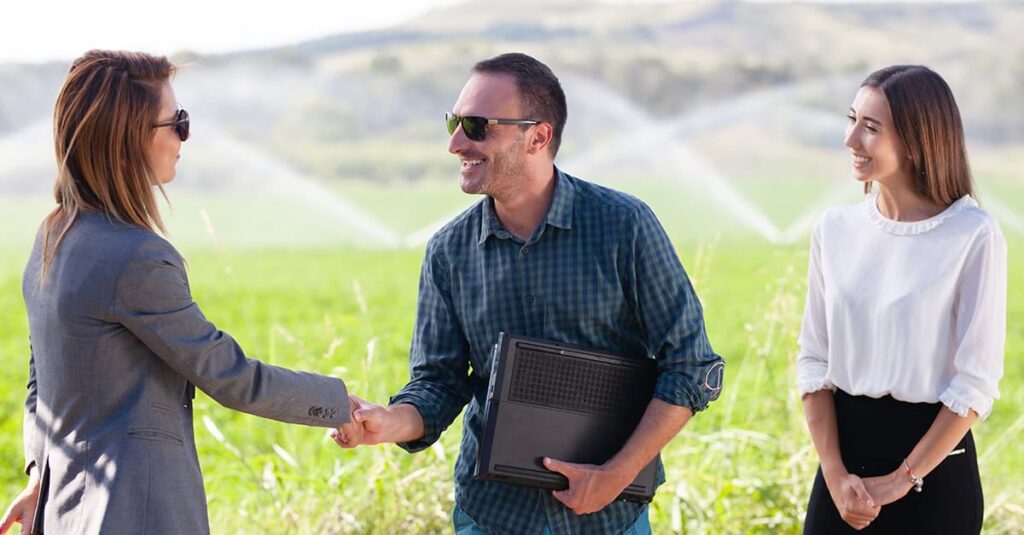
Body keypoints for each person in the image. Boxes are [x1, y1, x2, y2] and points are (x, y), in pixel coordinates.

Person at [333, 52, 724, 534]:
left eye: (477, 126)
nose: (456, 143)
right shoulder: (447, 252)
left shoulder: (625, 226)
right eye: (454, 122)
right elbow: (439, 383)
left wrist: (614, 477)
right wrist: (387, 421)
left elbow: (691, 366)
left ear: (538, 136)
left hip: (609, 520)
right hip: (491, 516)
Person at [0, 50, 357, 535]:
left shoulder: (52, 237)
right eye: (178, 122)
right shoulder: (137, 257)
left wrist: (39, 476)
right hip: (135, 514)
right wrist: (342, 404)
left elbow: (42, 378)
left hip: (64, 512)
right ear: (131, 138)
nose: (184, 137)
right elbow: (230, 376)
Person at [797, 65, 1006, 534]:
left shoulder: (973, 235)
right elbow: (814, 361)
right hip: (841, 475)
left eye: (870, 128)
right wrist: (833, 474)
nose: (851, 139)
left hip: (934, 479)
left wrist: (899, 481)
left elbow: (974, 384)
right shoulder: (834, 229)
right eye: (852, 120)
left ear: (916, 142)